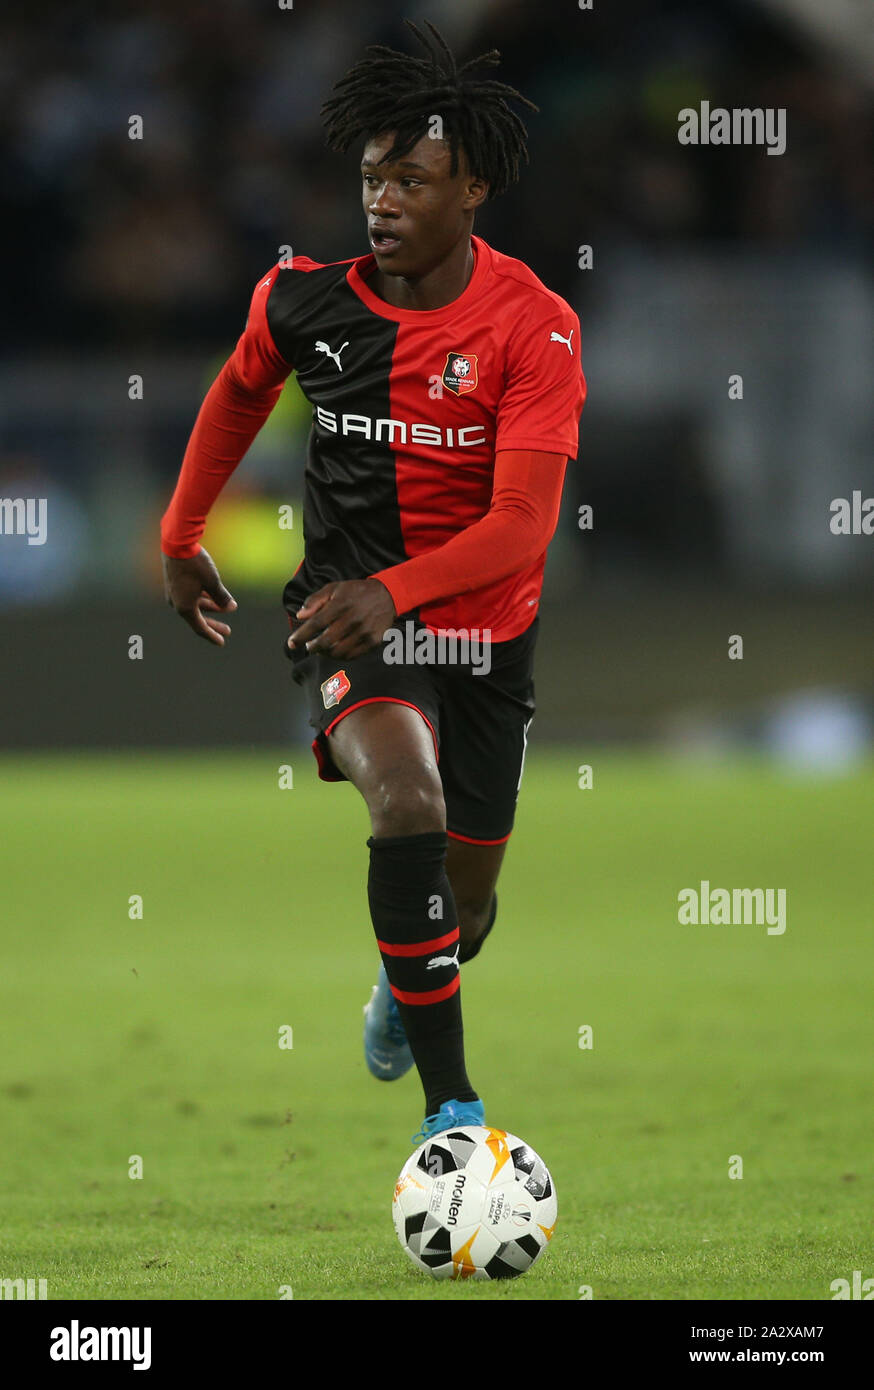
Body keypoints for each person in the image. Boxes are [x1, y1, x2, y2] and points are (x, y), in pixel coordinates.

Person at [161, 21, 586, 1143]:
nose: (382, 201)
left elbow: (523, 524)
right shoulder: (307, 300)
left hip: (485, 636)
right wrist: (179, 531)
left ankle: (406, 988)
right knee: (405, 799)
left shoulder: (533, 328)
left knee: (469, 904)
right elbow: (240, 388)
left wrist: (401, 591)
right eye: (370, 178)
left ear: (472, 188)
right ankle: (453, 1113)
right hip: (353, 618)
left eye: (411, 179)